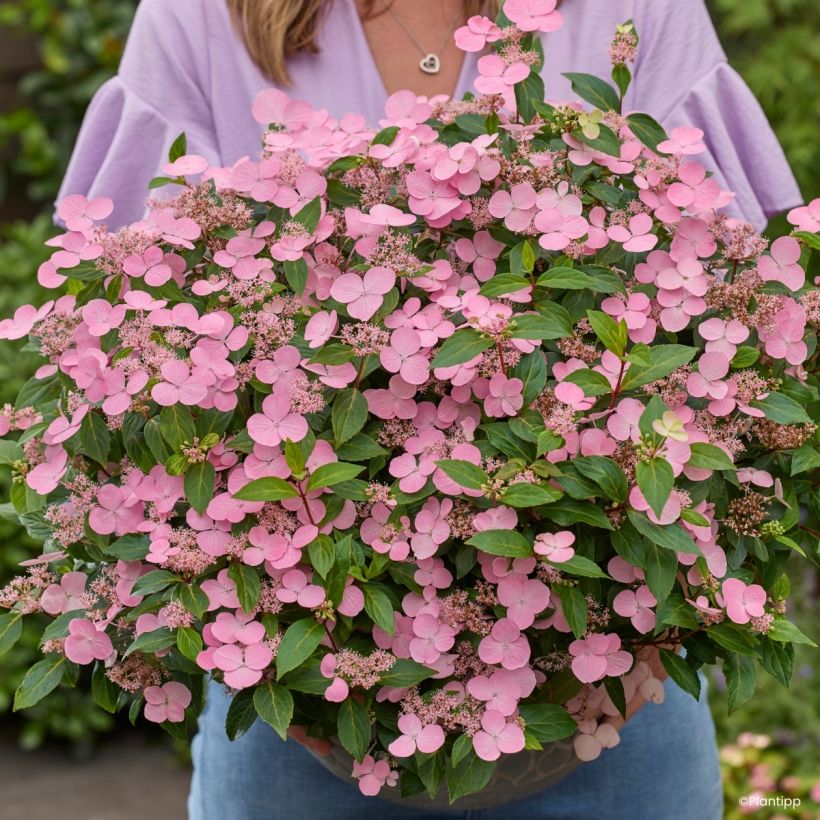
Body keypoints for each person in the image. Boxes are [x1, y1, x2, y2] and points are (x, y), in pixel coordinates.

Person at [58, 2, 801, 818]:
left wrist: (651, 640)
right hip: (306, 723)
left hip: (617, 709)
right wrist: (296, 672)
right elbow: (123, 334)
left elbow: (737, 320)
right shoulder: (197, 16)